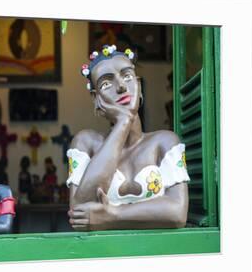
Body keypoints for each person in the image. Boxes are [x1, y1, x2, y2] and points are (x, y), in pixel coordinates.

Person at [67, 45, 190, 231]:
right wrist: (124, 121)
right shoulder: (86, 143)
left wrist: (113, 215)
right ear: (96, 98)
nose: (122, 86)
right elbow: (80, 213)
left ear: (139, 87)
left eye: (127, 76)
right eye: (106, 84)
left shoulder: (165, 142)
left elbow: (177, 213)